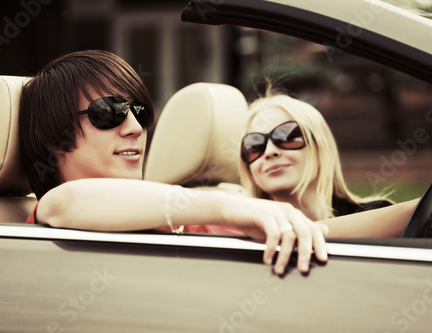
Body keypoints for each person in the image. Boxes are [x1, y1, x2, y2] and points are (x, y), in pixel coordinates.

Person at [18, 50, 328, 276]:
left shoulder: (189, 216)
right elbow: (66, 201)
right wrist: (231, 206)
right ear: (52, 139)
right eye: (108, 113)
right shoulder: (54, 210)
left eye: (139, 111)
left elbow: (321, 235)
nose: (136, 128)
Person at [238, 89, 432, 237]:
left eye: (287, 136)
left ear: (319, 147)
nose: (269, 152)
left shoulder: (380, 213)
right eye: (254, 145)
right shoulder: (240, 231)